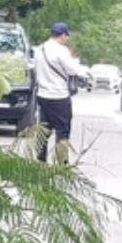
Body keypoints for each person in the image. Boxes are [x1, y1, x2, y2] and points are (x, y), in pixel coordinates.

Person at [34, 22, 84, 164]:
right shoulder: (61, 51)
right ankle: (61, 160)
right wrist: (75, 61)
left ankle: (40, 160)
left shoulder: (40, 49)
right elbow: (73, 70)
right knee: (62, 129)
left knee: (44, 129)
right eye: (66, 36)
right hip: (59, 96)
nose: (67, 39)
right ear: (63, 35)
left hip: (43, 95)